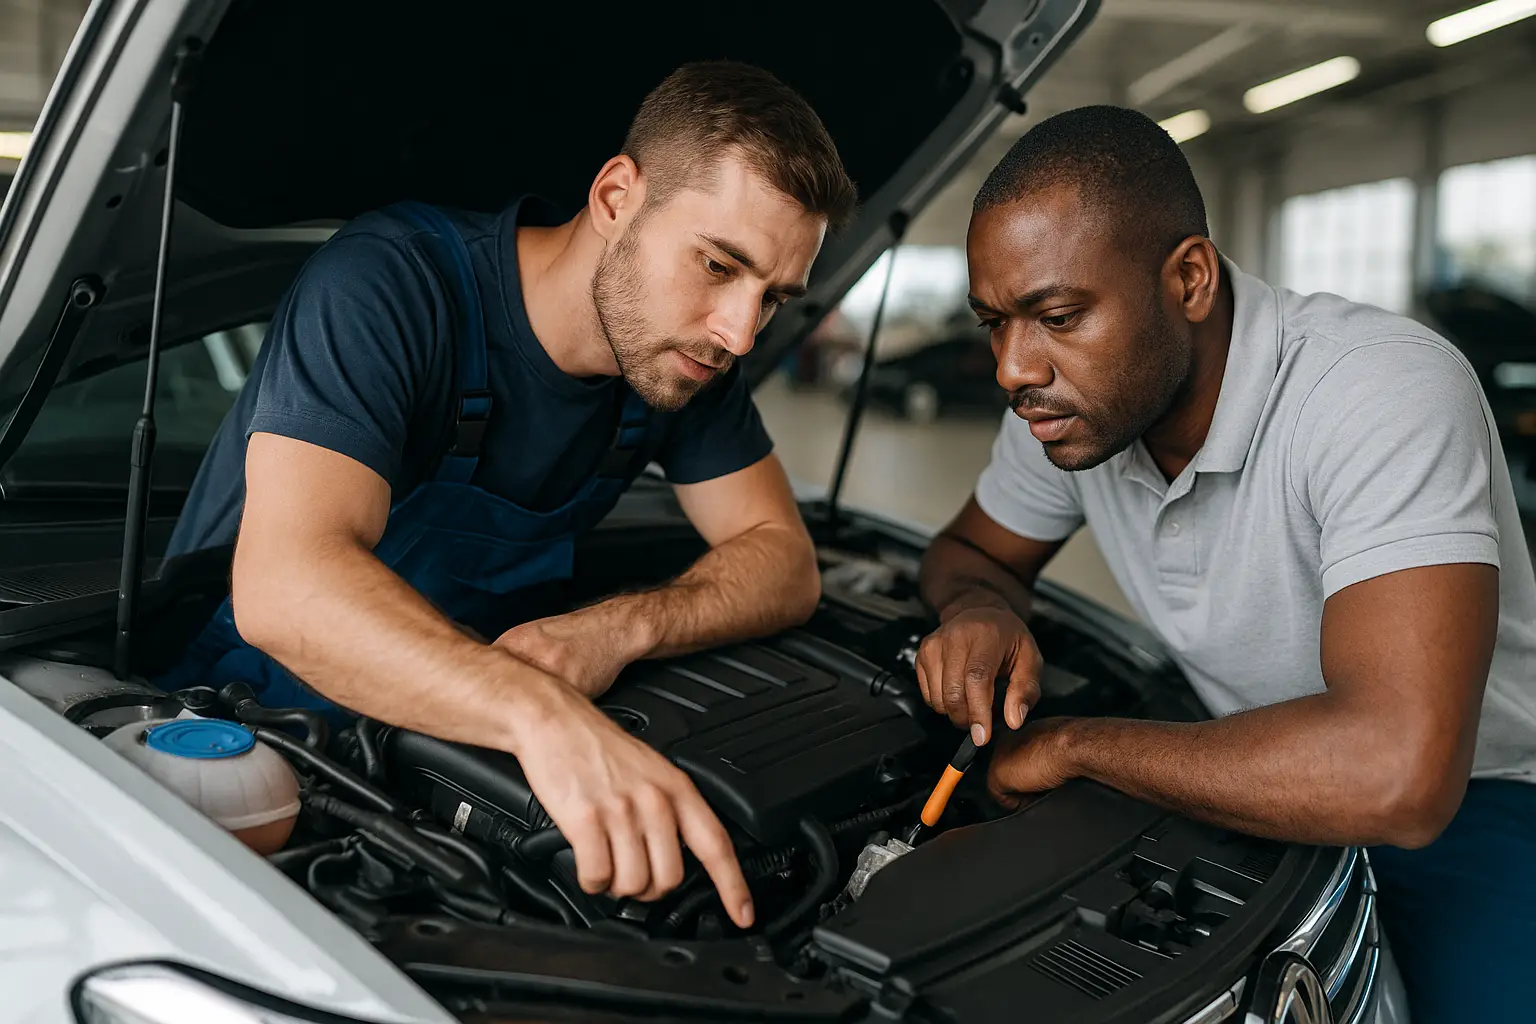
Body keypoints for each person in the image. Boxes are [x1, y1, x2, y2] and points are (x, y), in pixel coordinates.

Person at [160, 61, 858, 927]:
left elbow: (785, 560)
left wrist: (614, 629)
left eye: (774, 299)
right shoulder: (393, 284)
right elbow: (285, 586)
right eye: (719, 265)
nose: (740, 332)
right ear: (614, 198)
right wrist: (540, 714)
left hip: (445, 753)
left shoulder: (681, 366)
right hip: (236, 746)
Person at [915, 105, 1535, 1022]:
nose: (1011, 368)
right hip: (1235, 770)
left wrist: (1072, 747)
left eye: (1055, 315)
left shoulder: (1377, 391)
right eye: (994, 323)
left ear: (1190, 279)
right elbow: (972, 551)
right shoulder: (1075, 414)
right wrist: (980, 608)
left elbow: (1398, 777)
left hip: (1478, 809)